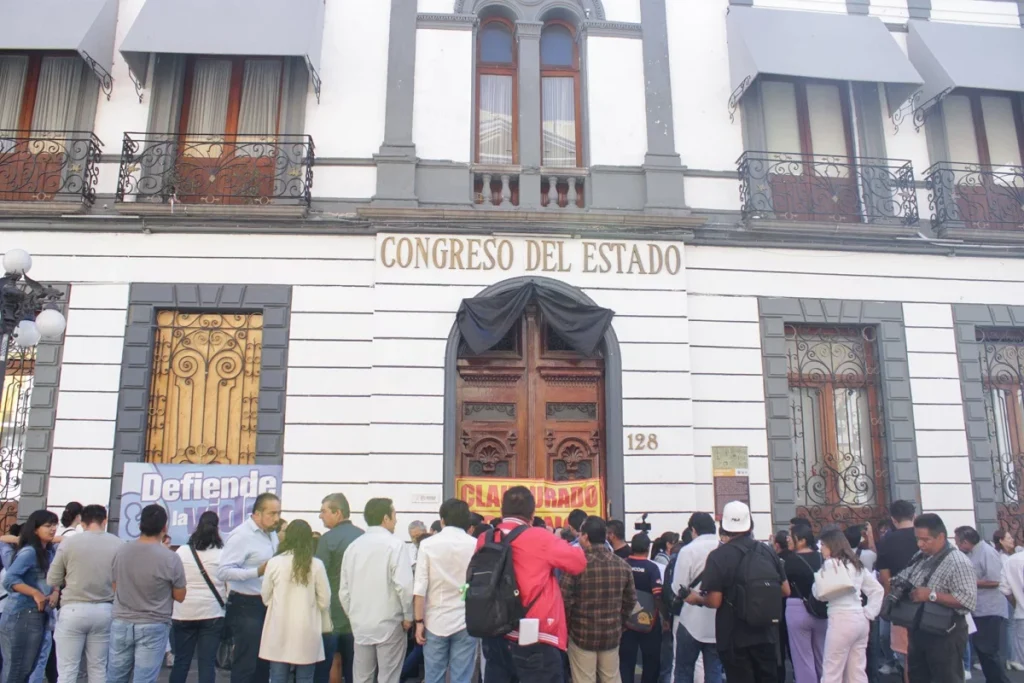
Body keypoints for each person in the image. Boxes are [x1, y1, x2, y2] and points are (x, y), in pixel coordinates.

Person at [477, 485, 586, 683]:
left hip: (494, 629)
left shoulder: (486, 538)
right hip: (536, 634)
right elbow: (578, 564)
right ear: (532, 513)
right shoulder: (540, 537)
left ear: (502, 510)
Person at [686, 501, 790, 683]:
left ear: (724, 525)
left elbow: (715, 601)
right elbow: (785, 590)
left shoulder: (719, 556)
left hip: (734, 636)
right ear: (749, 523)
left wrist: (697, 599)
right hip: (767, 633)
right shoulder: (767, 551)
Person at [107, 504, 187, 683]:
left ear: (140, 525)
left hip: (121, 621)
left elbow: (114, 585)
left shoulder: (121, 550)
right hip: (154, 623)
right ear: (164, 528)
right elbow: (180, 596)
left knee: (115, 677)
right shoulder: (170, 558)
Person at [892, 513, 977, 683]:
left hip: (946, 632)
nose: (920, 544)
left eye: (925, 540)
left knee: (945, 678)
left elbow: (968, 600)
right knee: (918, 676)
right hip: (919, 629)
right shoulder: (921, 556)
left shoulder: (958, 562)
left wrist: (931, 595)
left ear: (941, 537)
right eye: (918, 539)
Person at [339, 498, 414, 683]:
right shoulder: (395, 545)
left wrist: (353, 615)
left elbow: (344, 591)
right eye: (394, 515)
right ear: (385, 518)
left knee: (362, 677)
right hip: (390, 622)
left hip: (361, 624)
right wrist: (408, 615)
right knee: (388, 677)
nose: (396, 520)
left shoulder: (353, 547)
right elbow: (404, 585)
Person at [46, 504, 121, 683]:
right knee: (98, 668)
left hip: (73, 609)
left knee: (67, 671)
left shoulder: (69, 543)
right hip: (105, 609)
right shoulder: (118, 544)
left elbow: (52, 579)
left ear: (82, 521)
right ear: (105, 520)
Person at [559, 516, 636, 683]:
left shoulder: (575, 565)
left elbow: (564, 601)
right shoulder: (622, 565)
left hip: (581, 635)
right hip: (611, 634)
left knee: (584, 679)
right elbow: (631, 601)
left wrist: (568, 627)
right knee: (611, 678)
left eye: (580, 534)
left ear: (586, 537)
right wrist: (619, 622)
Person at [217, 492, 281, 683]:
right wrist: (256, 572)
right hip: (246, 604)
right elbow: (223, 572)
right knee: (246, 662)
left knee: (263, 661)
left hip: (266, 603)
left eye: (278, 513)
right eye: (272, 513)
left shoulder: (272, 534)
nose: (277, 518)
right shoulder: (242, 535)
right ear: (257, 514)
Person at [413, 498, 478, 683]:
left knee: (433, 676)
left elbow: (420, 587)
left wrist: (419, 621)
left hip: (435, 618)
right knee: (462, 677)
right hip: (466, 619)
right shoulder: (474, 544)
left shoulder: (427, 545)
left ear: (442, 520)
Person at [260, 519, 331, 683]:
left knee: (278, 676)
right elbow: (325, 600)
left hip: (278, 627)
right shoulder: (316, 565)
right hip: (307, 628)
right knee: (305, 677)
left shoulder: (274, 562)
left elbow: (265, 596)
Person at [813, 529, 883, 683]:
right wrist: (869, 612)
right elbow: (877, 590)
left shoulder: (831, 564)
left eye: (823, 545)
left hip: (840, 619)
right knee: (857, 671)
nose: (821, 549)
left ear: (832, 545)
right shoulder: (856, 564)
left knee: (832, 671)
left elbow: (818, 593)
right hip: (860, 619)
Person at [0, 510, 58, 682]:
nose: (53, 529)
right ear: (35, 529)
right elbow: (10, 579)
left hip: (39, 615)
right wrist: (35, 593)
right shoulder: (29, 552)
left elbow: (53, 577)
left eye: (55, 525)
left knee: (28, 668)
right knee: (17, 669)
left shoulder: (48, 552)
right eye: (48, 526)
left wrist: (55, 591)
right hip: (21, 614)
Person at [169, 511, 226, 683]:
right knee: (207, 663)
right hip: (213, 613)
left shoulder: (182, 552)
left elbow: (173, 581)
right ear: (217, 528)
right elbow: (228, 585)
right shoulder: (222, 553)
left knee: (181, 661)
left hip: (183, 612)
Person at [315, 492, 363, 683]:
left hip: (333, 612)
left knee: (333, 660)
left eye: (324, 511)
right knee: (357, 664)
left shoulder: (327, 540)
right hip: (358, 611)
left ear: (338, 512)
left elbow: (319, 575)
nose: (320, 515)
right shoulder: (362, 536)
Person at [954, 526, 1009, 683]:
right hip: (979, 608)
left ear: (965, 542)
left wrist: (968, 582)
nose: (957, 545)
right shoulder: (972, 553)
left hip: (989, 609)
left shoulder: (987, 552)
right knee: (982, 650)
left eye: (958, 542)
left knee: (989, 651)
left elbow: (995, 580)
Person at [673, 512, 723, 683]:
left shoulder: (688, 550)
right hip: (719, 620)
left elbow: (678, 586)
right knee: (714, 670)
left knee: (683, 671)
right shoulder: (724, 548)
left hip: (691, 620)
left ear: (693, 530)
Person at [876, 500, 918, 681]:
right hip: (930, 602)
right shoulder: (924, 536)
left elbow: (885, 579)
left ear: (893, 519)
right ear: (914, 516)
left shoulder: (886, 541)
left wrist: (889, 601)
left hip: (901, 604)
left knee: (907, 656)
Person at [784, 524, 826, 683]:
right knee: (822, 655)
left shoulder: (790, 561)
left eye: (791, 536)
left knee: (802, 659)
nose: (788, 539)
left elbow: (785, 588)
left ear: (801, 540)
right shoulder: (822, 557)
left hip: (797, 607)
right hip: (822, 608)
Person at [621, 533, 664, 683]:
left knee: (625, 661)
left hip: (625, 621)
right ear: (648, 547)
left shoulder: (623, 564)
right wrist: (662, 618)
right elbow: (657, 594)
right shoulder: (652, 568)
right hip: (649, 622)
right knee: (651, 661)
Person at [993, 530, 1023, 671]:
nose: (1012, 540)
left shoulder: (1012, 558)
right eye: (1008, 538)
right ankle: (1013, 659)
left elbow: (1005, 588)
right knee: (1011, 627)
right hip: (1015, 606)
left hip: (1018, 607)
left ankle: (1013, 659)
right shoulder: (1005, 558)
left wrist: (1016, 603)